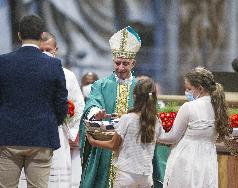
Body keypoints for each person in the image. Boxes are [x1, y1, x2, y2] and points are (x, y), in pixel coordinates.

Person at [0, 15, 68, 188]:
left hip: (8, 136)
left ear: (19, 35)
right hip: (41, 136)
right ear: (41, 35)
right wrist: (54, 121)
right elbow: (61, 102)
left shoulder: (3, 62)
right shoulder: (54, 65)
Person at [19, 32, 85, 188]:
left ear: (56, 49)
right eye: (41, 51)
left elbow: (78, 104)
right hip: (32, 134)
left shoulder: (68, 75)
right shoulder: (28, 74)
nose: (45, 54)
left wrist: (70, 128)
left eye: (48, 50)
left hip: (58, 133)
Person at [79, 26, 141, 188]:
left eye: (125, 63)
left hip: (132, 148)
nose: (121, 68)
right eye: (117, 63)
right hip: (105, 145)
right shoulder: (101, 84)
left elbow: (149, 112)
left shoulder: (140, 87)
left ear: (133, 63)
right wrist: (96, 113)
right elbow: (92, 103)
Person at [158, 67, 229, 187]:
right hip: (208, 158)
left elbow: (172, 137)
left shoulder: (189, 107)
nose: (187, 92)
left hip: (187, 158)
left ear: (200, 88)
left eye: (189, 89)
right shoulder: (219, 107)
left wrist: (156, 129)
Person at [87, 77, 162, 187]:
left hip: (127, 175)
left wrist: (94, 142)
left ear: (135, 96)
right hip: (146, 176)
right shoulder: (156, 120)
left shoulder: (127, 119)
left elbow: (113, 144)